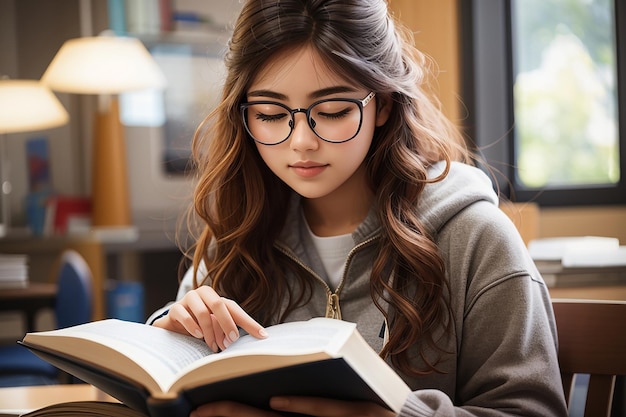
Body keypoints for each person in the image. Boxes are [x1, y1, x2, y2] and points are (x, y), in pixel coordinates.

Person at [149, 0, 568, 415]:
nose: (301, 142)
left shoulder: (475, 237)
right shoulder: (241, 232)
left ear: (383, 103)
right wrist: (169, 338)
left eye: (332, 111)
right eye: (271, 114)